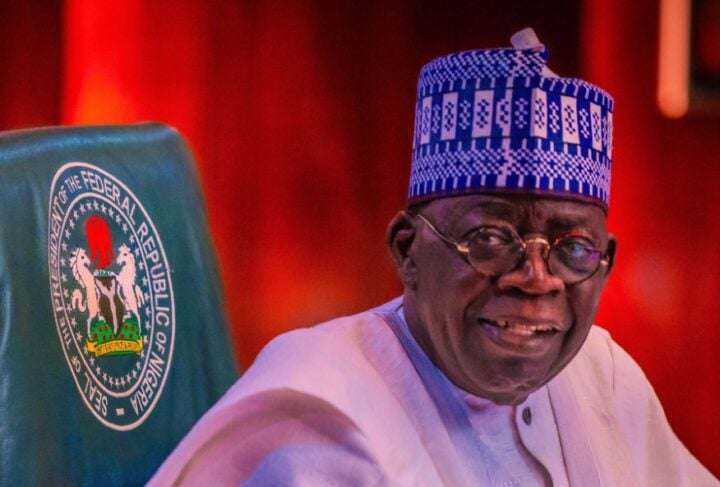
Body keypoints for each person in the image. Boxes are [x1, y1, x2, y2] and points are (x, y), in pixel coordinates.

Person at [149, 29, 718, 486]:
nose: (536, 279)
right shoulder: (316, 415)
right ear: (408, 250)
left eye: (572, 249)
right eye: (492, 238)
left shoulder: (601, 375)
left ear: (605, 261)